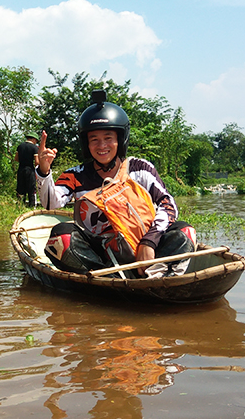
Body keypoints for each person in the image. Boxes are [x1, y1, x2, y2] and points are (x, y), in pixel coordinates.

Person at [36, 90, 196, 278]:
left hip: (146, 246)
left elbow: (168, 206)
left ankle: (155, 274)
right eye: (94, 140)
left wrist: (149, 242)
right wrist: (44, 171)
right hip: (100, 254)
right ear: (86, 144)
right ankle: (107, 278)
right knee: (60, 237)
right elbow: (51, 204)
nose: (101, 145)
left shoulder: (140, 168)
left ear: (120, 140)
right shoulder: (75, 175)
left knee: (185, 231)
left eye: (108, 138)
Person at [14, 133, 40, 207]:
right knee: (31, 188)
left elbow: (16, 158)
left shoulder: (20, 146)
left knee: (20, 187)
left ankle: (20, 204)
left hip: (21, 168)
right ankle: (32, 206)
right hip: (30, 169)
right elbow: (36, 162)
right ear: (33, 139)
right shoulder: (34, 148)